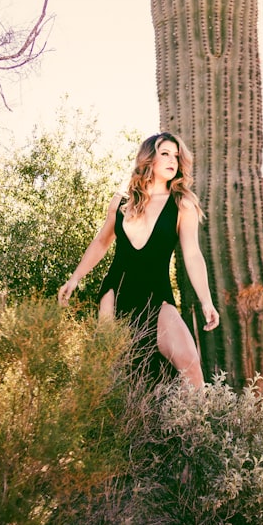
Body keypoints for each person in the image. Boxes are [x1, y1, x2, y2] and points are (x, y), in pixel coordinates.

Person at [58, 132, 219, 388]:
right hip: (116, 291)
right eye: (165, 154)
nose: (172, 161)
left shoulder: (182, 204)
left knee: (190, 363)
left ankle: (199, 427)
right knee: (109, 372)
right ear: (149, 159)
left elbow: (192, 254)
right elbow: (101, 242)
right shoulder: (122, 201)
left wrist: (206, 301)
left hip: (158, 294)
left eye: (176, 156)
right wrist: (75, 278)